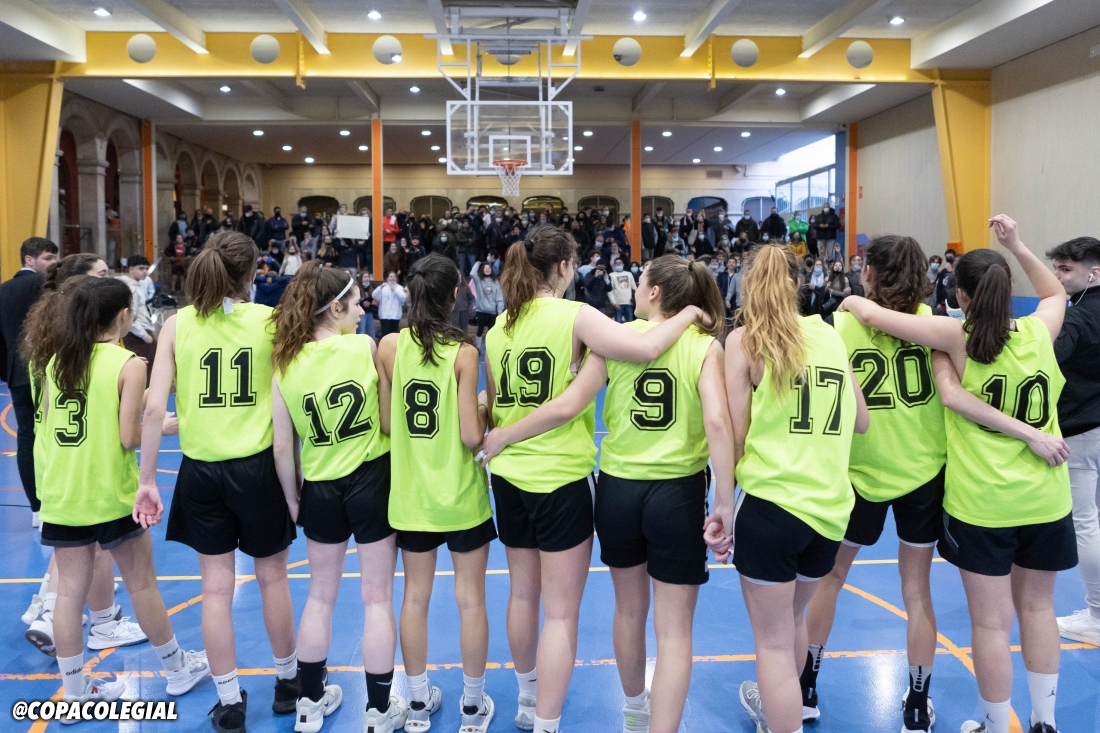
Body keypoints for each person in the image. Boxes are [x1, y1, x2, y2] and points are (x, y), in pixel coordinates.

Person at [838, 215, 1074, 733]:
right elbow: (1055, 292)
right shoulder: (1039, 332)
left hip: (982, 500)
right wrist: (1017, 244)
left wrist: (852, 301)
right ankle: (1045, 721)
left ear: (961, 295)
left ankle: (994, 724)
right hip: (1045, 495)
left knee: (990, 624)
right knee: (1039, 610)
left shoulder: (954, 336)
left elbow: (877, 318)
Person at [480, 255, 732, 733]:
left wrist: (504, 432)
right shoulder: (702, 344)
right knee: (674, 632)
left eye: (639, 282)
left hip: (617, 491)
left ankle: (634, 710)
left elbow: (573, 401)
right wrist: (725, 499)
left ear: (655, 292)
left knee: (629, 611)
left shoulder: (613, 341)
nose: (632, 289)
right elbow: (718, 421)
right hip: (676, 492)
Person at [139, 231, 299, 732]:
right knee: (273, 578)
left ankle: (229, 702)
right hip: (256, 469)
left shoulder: (176, 324)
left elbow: (153, 408)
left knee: (215, 590)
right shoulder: (269, 321)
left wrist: (147, 479)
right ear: (251, 273)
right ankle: (288, 683)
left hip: (200, 471)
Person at [712, 244, 869, 733]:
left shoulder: (745, 340)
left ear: (749, 287)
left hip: (772, 506)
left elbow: (736, 435)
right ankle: (782, 710)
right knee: (794, 622)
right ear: (799, 285)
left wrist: (723, 506)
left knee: (773, 644)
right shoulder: (829, 336)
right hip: (829, 510)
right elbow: (861, 420)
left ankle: (781, 718)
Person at [37, 277, 210, 708]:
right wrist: (162, 425)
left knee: (67, 594)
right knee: (142, 584)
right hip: (109, 491)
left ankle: (74, 693)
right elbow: (129, 436)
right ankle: (176, 668)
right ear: (124, 315)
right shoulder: (128, 363)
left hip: (62, 493)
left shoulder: (54, 361)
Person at [802, 236, 947, 733]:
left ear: (868, 273)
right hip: (922, 470)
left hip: (858, 471)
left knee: (830, 578)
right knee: (917, 590)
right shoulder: (935, 324)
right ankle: (916, 705)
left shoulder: (839, 325)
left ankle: (805, 687)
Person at [270, 262, 408, 733]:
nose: (362, 310)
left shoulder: (285, 364)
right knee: (377, 600)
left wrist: (294, 499)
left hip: (321, 487)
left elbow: (283, 446)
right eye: (355, 303)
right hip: (371, 481)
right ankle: (379, 710)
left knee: (319, 597)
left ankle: (308, 704)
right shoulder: (363, 346)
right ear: (334, 308)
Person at [378, 254, 496, 733]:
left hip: (412, 497)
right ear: (453, 296)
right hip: (461, 496)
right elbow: (470, 436)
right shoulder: (464, 353)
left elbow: (387, 423)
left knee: (414, 598)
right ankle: (472, 706)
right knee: (471, 600)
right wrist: (484, 407)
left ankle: (417, 702)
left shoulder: (389, 346)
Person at [20, 255, 160, 658]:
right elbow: (122, 432)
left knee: (73, 578)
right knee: (128, 577)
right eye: (99, 275)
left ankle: (83, 654)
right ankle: (171, 663)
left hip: (59, 470)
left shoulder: (55, 352)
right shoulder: (108, 358)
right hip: (95, 475)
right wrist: (152, 417)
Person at [1045, 237, 1100, 647]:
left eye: (1065, 270)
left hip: (1082, 431)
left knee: (1085, 523)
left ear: (1093, 273)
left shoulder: (1078, 317)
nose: (1057, 277)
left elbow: (1043, 354)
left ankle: (1097, 615)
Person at [0, 237, 58, 525]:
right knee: (54, 433)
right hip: (46, 371)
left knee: (27, 436)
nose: (54, 263)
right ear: (29, 260)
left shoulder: (2, 290)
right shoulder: (44, 285)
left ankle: (37, 508)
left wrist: (8, 372)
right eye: (48, 258)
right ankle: (55, 502)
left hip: (17, 374)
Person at [117, 255, 157, 380]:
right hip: (137, 333)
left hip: (140, 330)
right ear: (131, 269)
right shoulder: (131, 288)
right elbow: (129, 315)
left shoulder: (136, 285)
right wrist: (144, 335)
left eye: (146, 269)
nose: (145, 272)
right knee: (146, 368)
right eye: (141, 268)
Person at [470, 260, 505, 352]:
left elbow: (499, 297)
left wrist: (500, 310)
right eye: (485, 268)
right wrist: (478, 263)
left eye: (489, 267)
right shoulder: (479, 280)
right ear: (482, 270)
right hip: (481, 310)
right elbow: (472, 274)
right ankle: (478, 348)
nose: (487, 269)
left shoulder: (495, 282)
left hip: (492, 311)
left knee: (491, 331)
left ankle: (490, 348)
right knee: (480, 330)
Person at [374, 271, 407, 338]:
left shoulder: (400, 288)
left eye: (394, 276)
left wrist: (395, 290)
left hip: (395, 316)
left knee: (394, 335)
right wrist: (380, 287)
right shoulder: (383, 287)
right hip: (384, 316)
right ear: (387, 278)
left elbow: (403, 298)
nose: (392, 278)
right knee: (385, 335)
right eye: (390, 276)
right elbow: (374, 295)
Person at [357, 270, 377, 338]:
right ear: (361, 279)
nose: (367, 278)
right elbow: (355, 301)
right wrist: (362, 303)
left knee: (371, 333)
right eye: (365, 277)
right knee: (361, 332)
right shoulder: (357, 289)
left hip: (369, 313)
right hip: (361, 314)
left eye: (368, 277)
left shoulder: (372, 288)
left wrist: (373, 302)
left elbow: (373, 300)